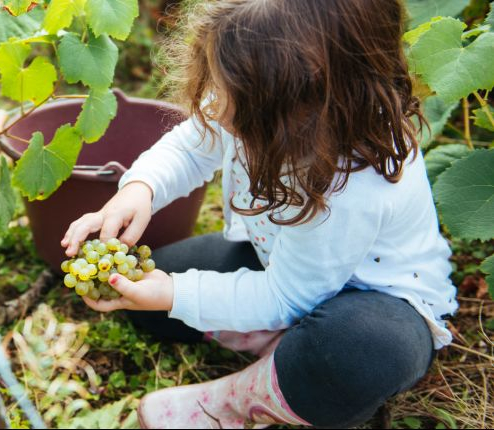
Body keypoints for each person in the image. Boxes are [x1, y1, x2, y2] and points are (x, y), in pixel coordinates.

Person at [60, 0, 457, 428]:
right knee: (147, 303)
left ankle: (233, 400)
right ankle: (288, 353)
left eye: (225, 94)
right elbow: (192, 144)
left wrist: (178, 293)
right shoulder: (259, 92)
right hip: (282, 268)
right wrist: (139, 190)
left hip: (375, 303)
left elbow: (290, 296)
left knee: (361, 351)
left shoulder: (355, 181)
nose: (214, 106)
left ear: (295, 104)